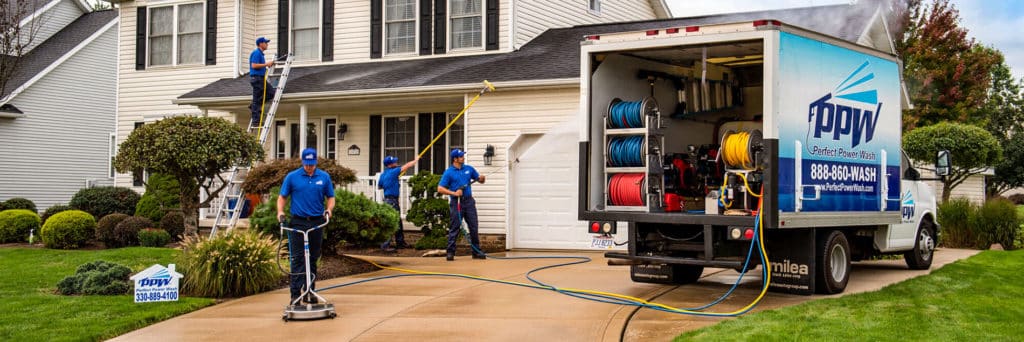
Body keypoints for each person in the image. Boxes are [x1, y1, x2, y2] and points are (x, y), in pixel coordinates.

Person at [277, 148, 335, 304]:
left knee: (312, 258)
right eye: (307, 164)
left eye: (312, 164)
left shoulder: (324, 177)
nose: (310, 167)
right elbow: (282, 197)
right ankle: (295, 295)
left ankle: (310, 291)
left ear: (316, 162)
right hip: (298, 222)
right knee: (297, 259)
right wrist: (280, 212)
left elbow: (330, 197)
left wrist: (329, 210)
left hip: (316, 222)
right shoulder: (292, 177)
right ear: (303, 162)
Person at [437, 148, 485, 261]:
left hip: (469, 202)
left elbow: (479, 180)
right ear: (455, 159)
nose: (463, 157)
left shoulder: (469, 169)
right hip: (456, 202)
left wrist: (482, 179)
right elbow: (440, 188)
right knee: (455, 227)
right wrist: (454, 193)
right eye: (461, 156)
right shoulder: (449, 172)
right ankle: (450, 252)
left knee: (473, 226)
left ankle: (476, 251)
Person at [378, 155, 420, 252]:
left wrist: (392, 181)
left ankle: (400, 242)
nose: (396, 163)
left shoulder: (383, 174)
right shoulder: (393, 172)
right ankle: (385, 245)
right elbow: (407, 166)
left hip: (388, 200)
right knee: (391, 222)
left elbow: (380, 186)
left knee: (398, 222)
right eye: (394, 162)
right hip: (392, 200)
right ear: (390, 164)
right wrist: (416, 160)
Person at [249, 37, 276, 127]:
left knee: (271, 93)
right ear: (260, 44)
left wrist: (268, 65)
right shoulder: (256, 53)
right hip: (257, 79)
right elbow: (254, 65)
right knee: (256, 100)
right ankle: (256, 121)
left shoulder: (261, 54)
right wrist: (266, 64)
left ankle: (253, 106)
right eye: (266, 43)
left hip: (260, 78)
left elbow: (259, 66)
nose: (267, 44)